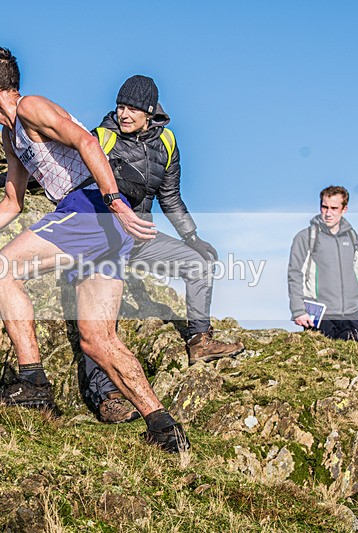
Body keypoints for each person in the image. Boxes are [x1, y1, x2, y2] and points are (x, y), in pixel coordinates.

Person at [0, 47, 189, 452]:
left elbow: (87, 143)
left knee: (1, 269)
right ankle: (163, 427)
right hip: (101, 223)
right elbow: (12, 202)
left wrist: (114, 202)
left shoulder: (31, 108)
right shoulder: (12, 135)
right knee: (97, 339)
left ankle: (33, 381)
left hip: (92, 206)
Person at [83, 75, 245, 424]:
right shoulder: (102, 137)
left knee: (198, 263)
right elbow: (67, 176)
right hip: (102, 238)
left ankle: (199, 340)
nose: (124, 114)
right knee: (98, 320)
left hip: (140, 236)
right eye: (120, 106)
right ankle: (107, 397)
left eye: (133, 108)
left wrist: (192, 237)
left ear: (150, 110)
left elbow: (170, 196)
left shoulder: (167, 142)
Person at [288, 185, 358, 341]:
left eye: (334, 208)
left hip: (352, 316)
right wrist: (298, 310)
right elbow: (295, 274)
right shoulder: (306, 237)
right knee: (321, 364)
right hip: (320, 316)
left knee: (352, 364)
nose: (328, 213)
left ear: (344, 209)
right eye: (324, 207)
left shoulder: (353, 238)